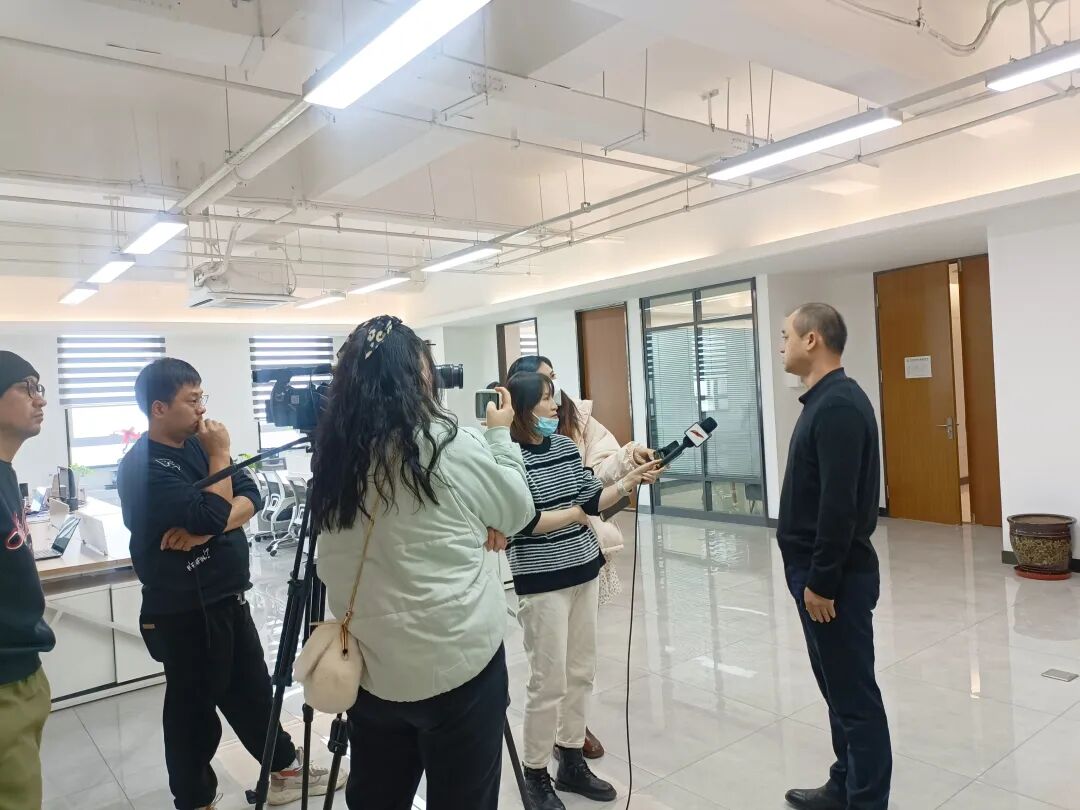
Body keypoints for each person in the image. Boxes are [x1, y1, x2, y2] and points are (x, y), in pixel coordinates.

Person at [311, 315, 535, 810]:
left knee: (378, 797)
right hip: (458, 665)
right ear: (419, 375)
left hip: (371, 667)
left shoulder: (333, 458)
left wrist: (476, 520)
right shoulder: (446, 442)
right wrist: (500, 436)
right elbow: (518, 512)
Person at [116, 358, 343, 810]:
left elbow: (250, 495)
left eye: (203, 397)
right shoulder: (143, 466)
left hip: (226, 596)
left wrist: (206, 529)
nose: (202, 409)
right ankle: (195, 799)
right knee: (193, 714)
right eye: (192, 399)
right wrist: (219, 464)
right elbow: (217, 510)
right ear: (159, 408)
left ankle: (284, 769)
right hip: (185, 610)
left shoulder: (197, 445)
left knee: (253, 691)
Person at [504, 371, 660, 810]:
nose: (556, 407)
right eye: (546, 398)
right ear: (523, 408)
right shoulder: (508, 460)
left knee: (581, 672)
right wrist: (573, 514)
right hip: (542, 583)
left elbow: (593, 499)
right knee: (547, 680)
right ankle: (535, 773)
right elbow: (524, 522)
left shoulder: (565, 448)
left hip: (583, 571)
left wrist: (629, 480)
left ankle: (570, 760)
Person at [777, 304, 892, 810]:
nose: (781, 345)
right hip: (819, 574)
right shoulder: (824, 401)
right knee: (838, 694)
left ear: (812, 340)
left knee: (855, 701)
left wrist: (822, 581)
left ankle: (865, 800)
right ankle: (843, 785)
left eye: (786, 335)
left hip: (835, 580)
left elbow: (839, 506)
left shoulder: (839, 406)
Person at [0, 352, 54, 810]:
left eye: (40, 388)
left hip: (23, 671)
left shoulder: (5, 474)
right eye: (26, 387)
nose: (40, 399)